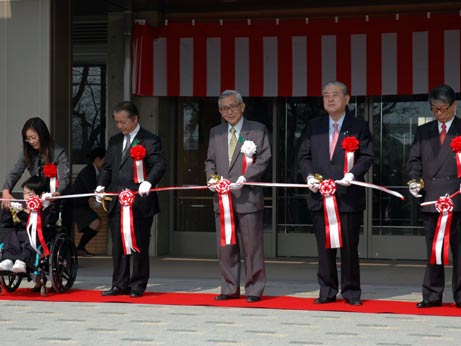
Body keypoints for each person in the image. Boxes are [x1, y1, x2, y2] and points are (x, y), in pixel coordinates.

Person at [298, 81, 373, 306]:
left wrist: (353, 174)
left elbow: (367, 156)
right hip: (320, 196)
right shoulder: (314, 125)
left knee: (349, 248)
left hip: (348, 197)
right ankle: (327, 290)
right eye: (326, 95)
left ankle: (351, 292)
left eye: (335, 95)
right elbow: (304, 156)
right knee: (325, 247)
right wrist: (309, 177)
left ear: (347, 99)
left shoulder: (359, 125)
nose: (330, 99)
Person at [205, 89, 271, 303]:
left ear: (242, 107)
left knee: (252, 247)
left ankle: (254, 288)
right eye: (224, 108)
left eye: (233, 106)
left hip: (247, 196)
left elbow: (263, 159)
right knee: (225, 246)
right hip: (222, 199)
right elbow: (210, 161)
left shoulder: (257, 130)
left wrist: (245, 177)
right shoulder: (216, 132)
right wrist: (211, 178)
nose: (229, 111)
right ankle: (229, 287)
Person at [96, 101, 166, 298]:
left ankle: (138, 284)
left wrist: (149, 182)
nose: (120, 126)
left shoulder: (150, 140)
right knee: (118, 245)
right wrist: (101, 185)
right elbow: (107, 167)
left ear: (135, 119)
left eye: (123, 122)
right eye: (117, 122)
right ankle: (119, 284)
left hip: (140, 201)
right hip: (117, 201)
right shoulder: (115, 141)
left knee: (138, 244)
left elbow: (159, 164)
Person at [406, 84, 461, 308]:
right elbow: (414, 160)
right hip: (431, 198)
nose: (439, 113)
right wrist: (413, 180)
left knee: (459, 251)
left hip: (457, 199)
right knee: (433, 249)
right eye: (434, 109)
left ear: (454, 106)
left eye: (443, 109)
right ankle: (431, 295)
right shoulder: (424, 131)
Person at [2, 117, 70, 209]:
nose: (31, 141)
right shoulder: (27, 152)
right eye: (28, 139)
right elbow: (15, 172)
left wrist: (57, 192)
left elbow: (64, 179)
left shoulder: (58, 153)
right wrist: (6, 191)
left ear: (42, 134)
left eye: (34, 137)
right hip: (38, 197)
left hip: (59, 199)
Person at [0, 176, 58, 274]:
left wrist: (36, 210)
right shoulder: (22, 205)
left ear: (41, 194)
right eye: (24, 193)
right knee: (11, 233)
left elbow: (47, 223)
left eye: (30, 194)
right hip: (22, 232)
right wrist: (11, 210)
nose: (26, 197)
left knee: (32, 235)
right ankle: (8, 259)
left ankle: (22, 261)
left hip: (40, 233)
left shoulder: (47, 206)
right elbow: (7, 222)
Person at [73, 147, 106, 256]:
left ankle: (80, 248)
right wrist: (99, 201)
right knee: (96, 222)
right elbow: (92, 189)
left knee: (96, 223)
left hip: (82, 204)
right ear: (97, 159)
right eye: (104, 160)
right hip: (75, 204)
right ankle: (80, 248)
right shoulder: (88, 171)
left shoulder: (94, 171)